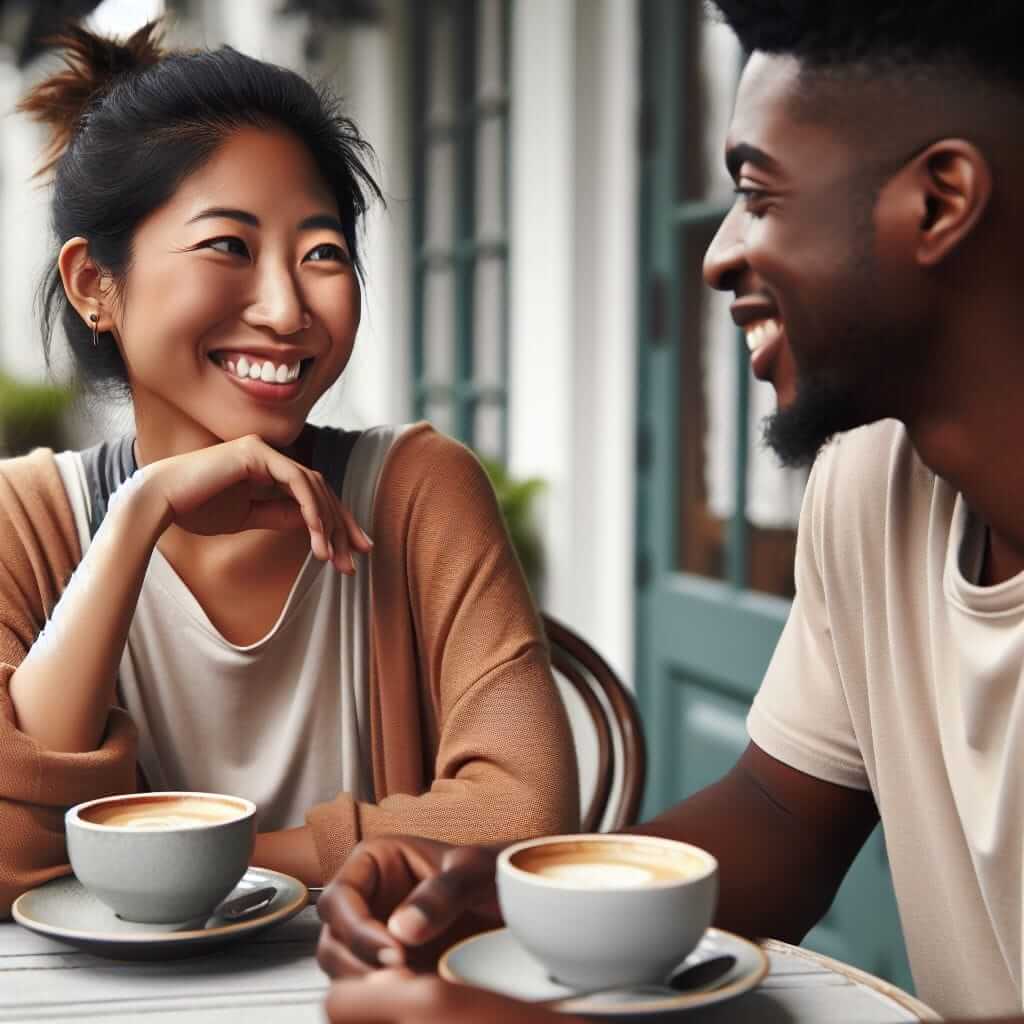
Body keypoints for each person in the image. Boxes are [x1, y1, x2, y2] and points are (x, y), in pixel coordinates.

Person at [314, 1, 1024, 1021]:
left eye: (758, 194)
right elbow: (784, 813)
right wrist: (519, 902)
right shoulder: (871, 480)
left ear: (939, 199)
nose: (716, 254)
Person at [0, 21, 579, 914]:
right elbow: (8, 857)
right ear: (94, 285)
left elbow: (524, 813)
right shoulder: (23, 521)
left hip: (375, 990)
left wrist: (188, 866)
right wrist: (134, 520)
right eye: (228, 246)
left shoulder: (419, 492)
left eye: (323, 254)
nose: (284, 307)